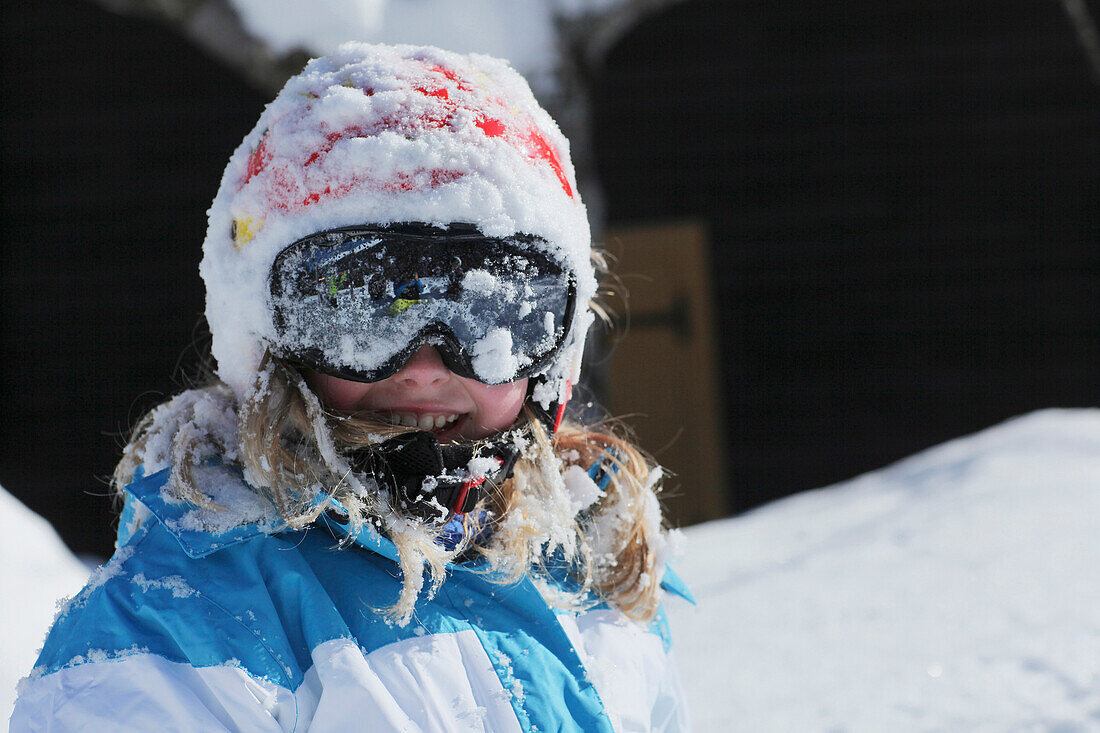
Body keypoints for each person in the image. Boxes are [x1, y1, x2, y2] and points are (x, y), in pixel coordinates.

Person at [11, 42, 691, 732]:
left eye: (490, 311)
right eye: (363, 310)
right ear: (269, 342)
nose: (427, 365)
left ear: (552, 354)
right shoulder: (177, 635)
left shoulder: (590, 565)